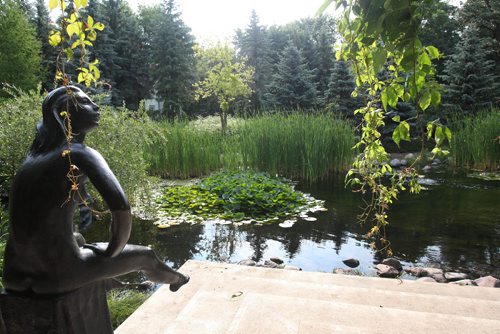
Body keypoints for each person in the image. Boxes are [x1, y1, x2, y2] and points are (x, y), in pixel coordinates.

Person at [2, 86, 189, 295]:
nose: (96, 106)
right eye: (85, 102)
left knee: (79, 240)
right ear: (64, 113)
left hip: (14, 273)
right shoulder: (79, 153)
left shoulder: (33, 158)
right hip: (58, 273)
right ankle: (179, 278)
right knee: (146, 256)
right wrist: (113, 251)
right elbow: (121, 210)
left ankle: (108, 279)